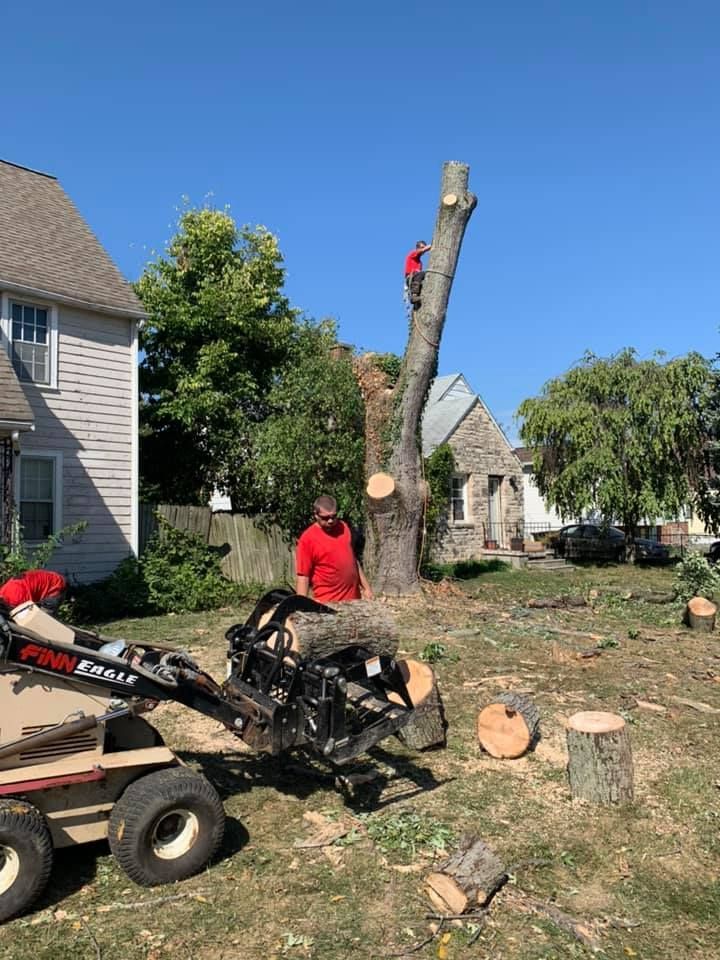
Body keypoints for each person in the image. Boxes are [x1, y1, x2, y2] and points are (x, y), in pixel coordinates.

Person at [295, 495, 373, 603]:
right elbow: (303, 576)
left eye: (334, 516)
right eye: (325, 518)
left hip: (354, 602)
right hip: (328, 604)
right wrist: (301, 605)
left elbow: (353, 560)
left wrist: (367, 588)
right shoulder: (307, 539)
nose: (331, 521)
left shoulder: (343, 528)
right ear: (316, 515)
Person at [0, 569, 68, 615]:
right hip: (46, 581)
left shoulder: (17, 598)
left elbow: (30, 611)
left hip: (56, 585)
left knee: (42, 619)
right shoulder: (3, 592)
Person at [404, 240, 432, 307]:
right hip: (411, 278)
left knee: (423, 275)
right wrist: (430, 246)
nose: (423, 249)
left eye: (423, 247)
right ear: (417, 248)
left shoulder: (420, 263)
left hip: (416, 279)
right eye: (422, 247)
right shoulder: (412, 254)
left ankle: (418, 300)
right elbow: (421, 251)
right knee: (421, 274)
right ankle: (414, 296)